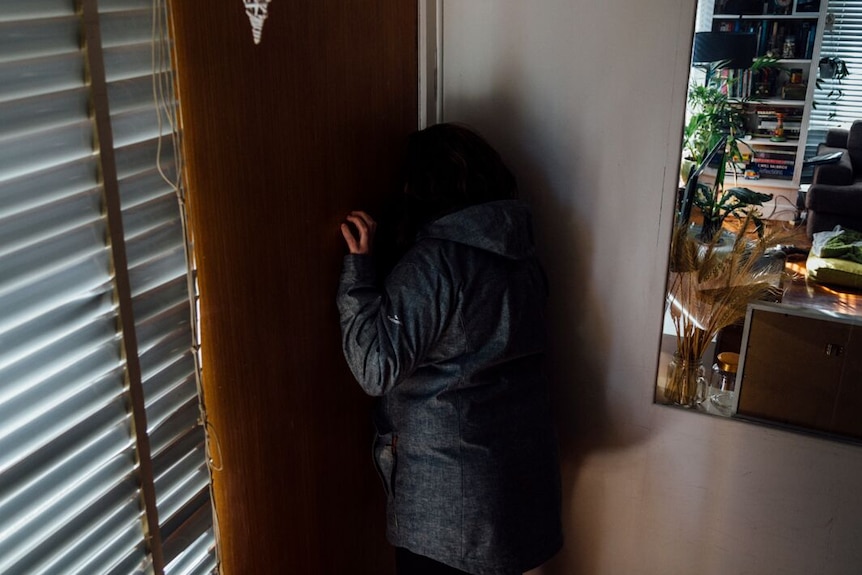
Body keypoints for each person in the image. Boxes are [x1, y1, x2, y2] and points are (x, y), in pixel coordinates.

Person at [337, 123, 562, 575]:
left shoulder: (437, 262)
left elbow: (374, 367)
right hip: (516, 478)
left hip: (451, 505)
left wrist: (359, 276)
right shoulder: (522, 256)